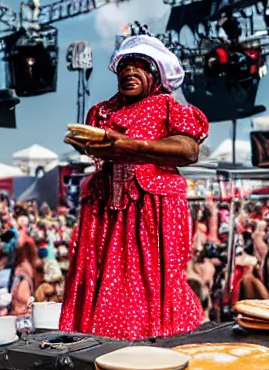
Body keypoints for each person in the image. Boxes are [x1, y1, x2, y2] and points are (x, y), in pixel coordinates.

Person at [61, 33, 208, 340]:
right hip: (107, 208)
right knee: (106, 281)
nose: (129, 72)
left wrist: (133, 145)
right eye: (124, 66)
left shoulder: (167, 105)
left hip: (152, 208)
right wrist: (90, 146)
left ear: (155, 74)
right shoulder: (103, 111)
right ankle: (101, 345)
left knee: (151, 283)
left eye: (139, 66)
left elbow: (189, 150)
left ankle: (155, 344)